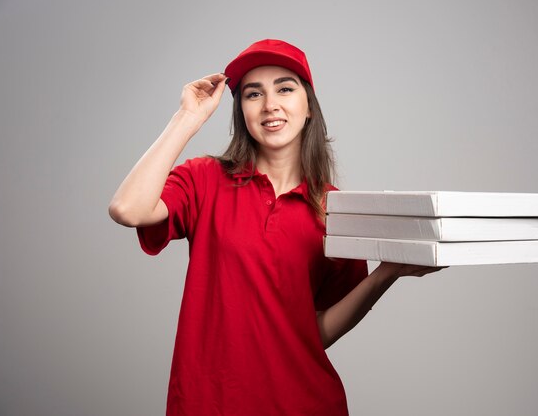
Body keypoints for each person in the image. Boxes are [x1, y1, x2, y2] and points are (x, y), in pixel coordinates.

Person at [109, 39, 444, 416]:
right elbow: (127, 208)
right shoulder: (204, 179)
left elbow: (314, 333)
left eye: (285, 88)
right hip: (208, 404)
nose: (270, 105)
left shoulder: (335, 209)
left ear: (309, 108)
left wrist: (388, 273)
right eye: (254, 94)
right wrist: (187, 118)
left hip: (304, 404)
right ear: (242, 113)